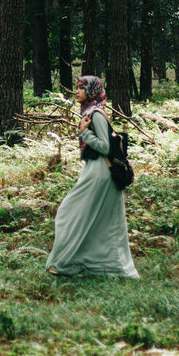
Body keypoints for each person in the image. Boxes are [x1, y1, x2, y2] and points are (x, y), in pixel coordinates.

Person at [45, 75, 139, 278]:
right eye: (76, 87)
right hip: (93, 169)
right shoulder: (88, 110)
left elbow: (104, 146)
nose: (76, 91)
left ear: (92, 91)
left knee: (70, 213)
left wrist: (84, 133)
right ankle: (96, 265)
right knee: (99, 220)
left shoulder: (96, 113)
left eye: (81, 88)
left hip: (100, 172)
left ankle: (64, 263)